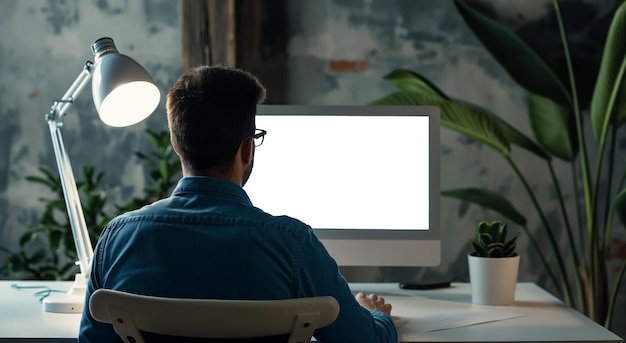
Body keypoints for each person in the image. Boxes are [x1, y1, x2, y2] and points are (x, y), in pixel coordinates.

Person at [79, 65, 397, 342]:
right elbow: (364, 339)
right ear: (247, 150)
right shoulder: (293, 245)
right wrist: (376, 316)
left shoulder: (116, 240)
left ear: (176, 143)